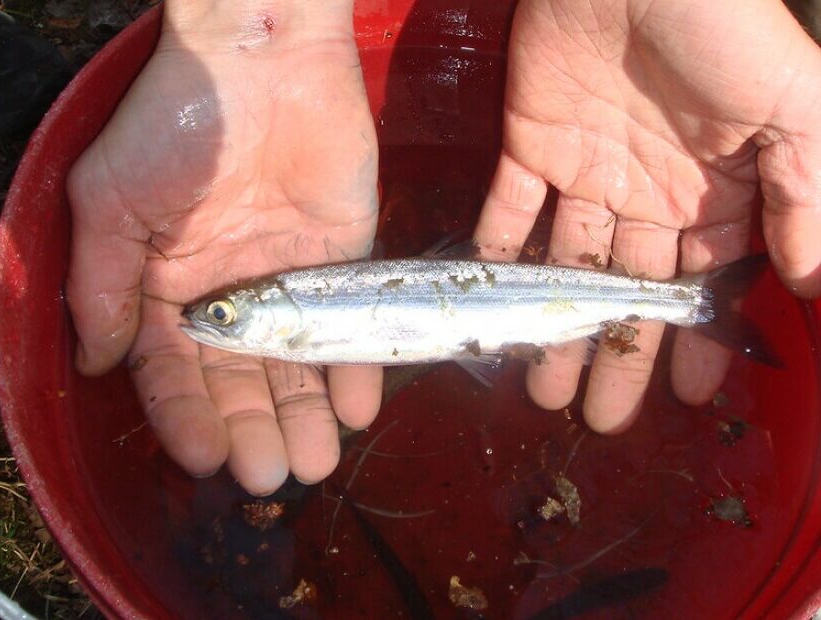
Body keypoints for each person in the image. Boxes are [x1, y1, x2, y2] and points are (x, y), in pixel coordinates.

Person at [65, 0, 821, 497]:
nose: (216, 320)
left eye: (225, 316)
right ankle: (689, 300)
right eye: (226, 316)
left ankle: (692, 300)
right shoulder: (293, 322)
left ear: (272, 312)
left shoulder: (293, 322)